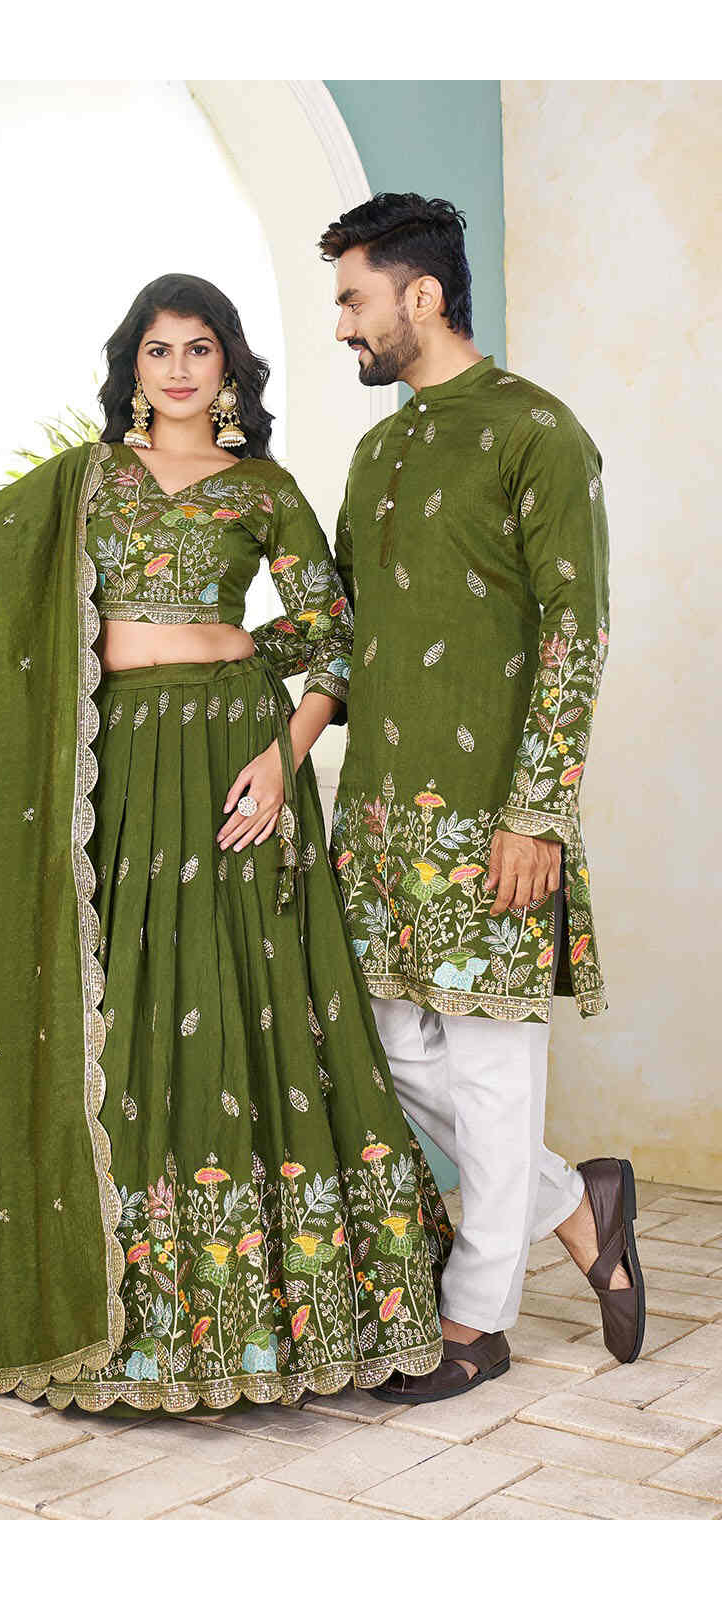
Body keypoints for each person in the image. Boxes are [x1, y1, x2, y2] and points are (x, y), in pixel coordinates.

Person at [0, 274, 453, 1417]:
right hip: (117, 770)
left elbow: (331, 643)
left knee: (246, 1004)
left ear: (229, 370)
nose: (177, 369)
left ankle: (276, 1319)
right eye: (158, 350)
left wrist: (283, 755)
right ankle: (127, 1315)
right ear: (132, 367)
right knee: (120, 1014)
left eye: (200, 349)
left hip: (235, 758)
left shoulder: (263, 489)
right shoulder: (85, 483)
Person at [318, 195, 644, 1403]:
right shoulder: (377, 451)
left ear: (421, 296)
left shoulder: (536, 431)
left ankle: (476, 1321)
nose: (343, 325)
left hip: (493, 817)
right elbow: (349, 631)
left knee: (495, 1070)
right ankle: (579, 1202)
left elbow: (578, 627)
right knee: (388, 1044)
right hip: (382, 817)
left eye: (353, 298)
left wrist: (536, 810)